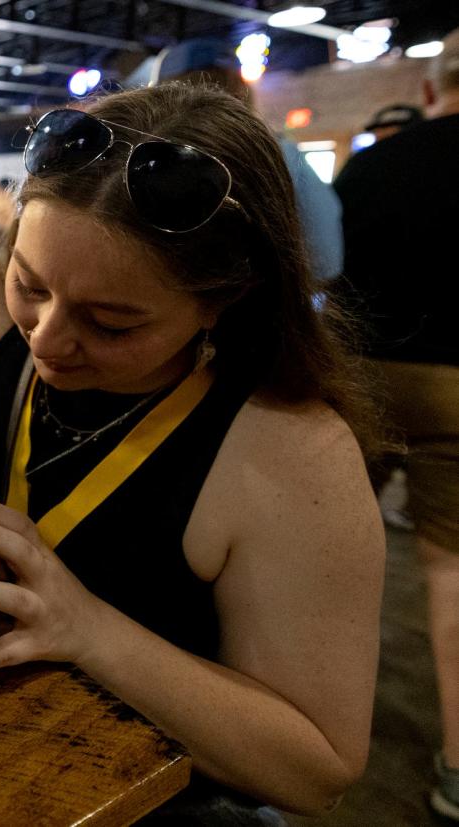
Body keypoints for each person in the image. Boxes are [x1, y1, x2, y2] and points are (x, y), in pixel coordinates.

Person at [0, 84, 383, 820]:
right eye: (29, 284)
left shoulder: (292, 453)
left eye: (112, 324)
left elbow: (317, 766)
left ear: (227, 298)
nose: (46, 338)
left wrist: (88, 631)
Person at [333, 28, 459, 822]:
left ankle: (295, 702)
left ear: (432, 89)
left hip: (372, 377)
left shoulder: (378, 163)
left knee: (333, 537)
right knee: (449, 571)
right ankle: (457, 766)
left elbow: (333, 283)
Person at [136, 37, 346, 283]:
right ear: (240, 91)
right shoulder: (277, 154)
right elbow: (326, 257)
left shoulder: (131, 156)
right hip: (251, 311)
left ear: (158, 90)